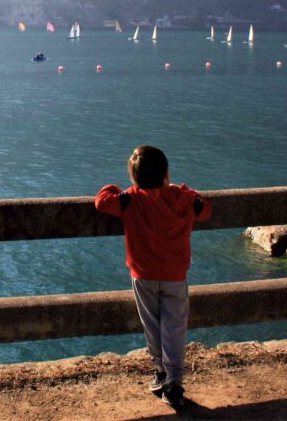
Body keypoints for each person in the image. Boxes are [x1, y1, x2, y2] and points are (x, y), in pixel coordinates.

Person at [94, 145, 212, 411]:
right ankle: (174, 381)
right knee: (175, 326)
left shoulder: (129, 199)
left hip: (143, 275)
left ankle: (159, 370)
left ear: (135, 179)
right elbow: (205, 210)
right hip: (175, 276)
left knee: (152, 324)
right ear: (166, 174)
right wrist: (188, 192)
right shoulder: (181, 199)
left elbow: (101, 202)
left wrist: (113, 187)